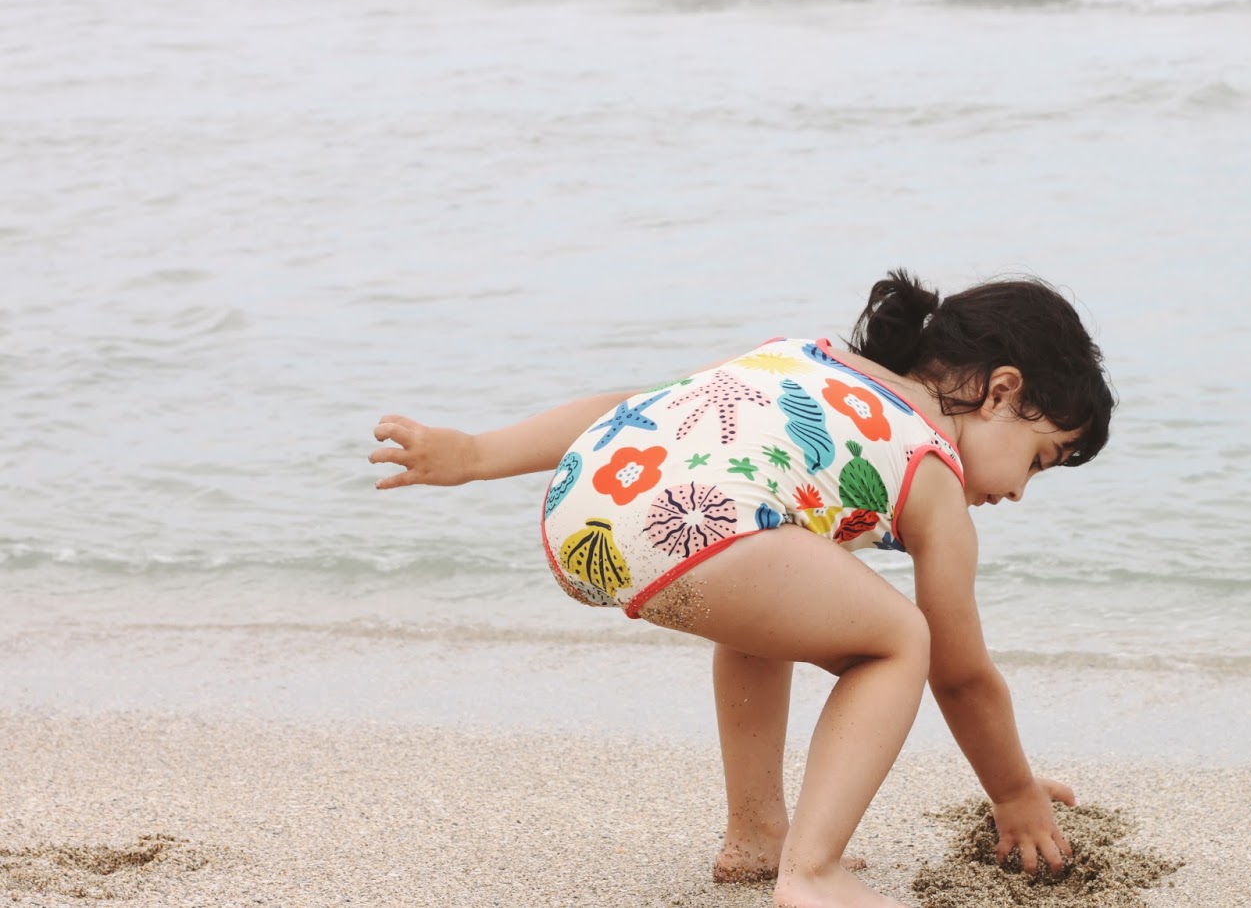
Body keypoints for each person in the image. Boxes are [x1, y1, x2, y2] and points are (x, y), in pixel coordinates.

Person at [370, 269, 1114, 908]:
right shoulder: (933, 470)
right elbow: (961, 673)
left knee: (776, 607)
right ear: (1001, 392)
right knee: (899, 642)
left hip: (583, 512)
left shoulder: (803, 357)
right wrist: (1014, 793)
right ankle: (811, 872)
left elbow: (637, 405)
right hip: (694, 526)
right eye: (1040, 459)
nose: (1020, 491)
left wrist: (477, 454)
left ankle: (757, 833)